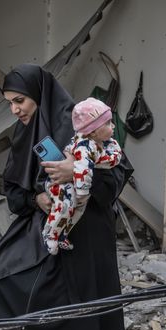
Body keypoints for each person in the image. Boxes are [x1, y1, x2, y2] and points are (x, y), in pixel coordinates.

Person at [0, 64, 132, 330]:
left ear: (38, 95)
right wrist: (36, 197)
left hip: (86, 234)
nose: (15, 110)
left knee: (79, 313)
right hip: (44, 226)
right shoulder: (25, 133)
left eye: (20, 101)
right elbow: (14, 192)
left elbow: (119, 174)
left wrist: (78, 171)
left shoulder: (82, 119)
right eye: (10, 103)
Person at [42, 97, 123, 254]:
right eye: (107, 123)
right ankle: (50, 234)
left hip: (79, 189)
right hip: (64, 186)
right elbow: (82, 171)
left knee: (76, 212)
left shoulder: (104, 142)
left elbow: (113, 157)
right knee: (65, 207)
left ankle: (62, 234)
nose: (113, 126)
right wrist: (83, 193)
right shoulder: (84, 147)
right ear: (92, 131)